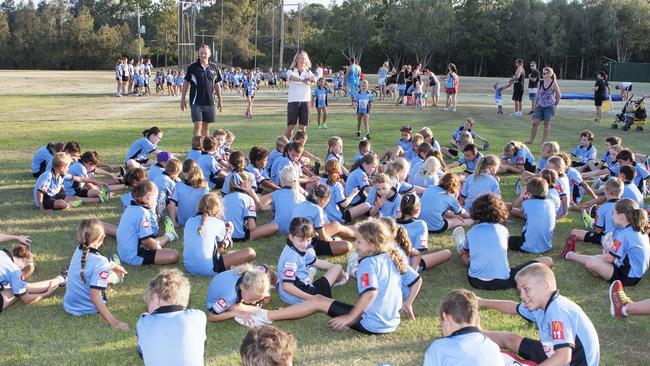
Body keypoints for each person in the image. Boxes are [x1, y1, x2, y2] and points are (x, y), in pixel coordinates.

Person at [237, 219, 407, 335]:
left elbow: (370, 293)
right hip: (391, 321)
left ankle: (264, 316)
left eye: (359, 242)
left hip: (374, 324)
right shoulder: (390, 255)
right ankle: (265, 315)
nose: (356, 246)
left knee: (318, 300)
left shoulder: (368, 264)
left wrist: (350, 317)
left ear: (372, 245)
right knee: (317, 297)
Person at [478, 263, 600, 366]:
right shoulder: (540, 305)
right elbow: (513, 307)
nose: (522, 295)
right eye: (520, 291)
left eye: (526, 289)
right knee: (511, 339)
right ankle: (473, 333)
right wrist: (482, 302)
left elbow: (564, 356)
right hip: (554, 352)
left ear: (545, 286)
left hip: (569, 361)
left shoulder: (558, 310)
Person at [456, 194, 553, 290]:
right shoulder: (503, 230)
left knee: (465, 255)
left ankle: (466, 255)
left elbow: (464, 251)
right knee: (547, 260)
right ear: (500, 211)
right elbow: (504, 247)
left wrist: (464, 252)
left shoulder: (471, 232)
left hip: (475, 281)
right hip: (503, 281)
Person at [563, 199, 650, 287]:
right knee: (598, 258)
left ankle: (569, 254)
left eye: (613, 213)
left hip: (628, 278)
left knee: (592, 263)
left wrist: (599, 258)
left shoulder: (624, 234)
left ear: (621, 217)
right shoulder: (638, 229)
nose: (612, 216)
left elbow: (609, 259)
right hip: (636, 272)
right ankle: (569, 254)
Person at [63, 219, 128, 329]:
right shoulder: (100, 262)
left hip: (70, 305)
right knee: (109, 276)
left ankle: (112, 267)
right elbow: (94, 297)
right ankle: (117, 278)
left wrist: (113, 265)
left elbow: (93, 263)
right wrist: (115, 323)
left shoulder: (78, 250)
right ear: (102, 238)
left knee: (99, 271)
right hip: (88, 308)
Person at [136, 269, 206, 366]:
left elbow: (141, 351)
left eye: (149, 301)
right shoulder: (199, 317)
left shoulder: (143, 322)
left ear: (155, 298)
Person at [423, 289, 505, 366]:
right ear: (477, 320)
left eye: (441, 321)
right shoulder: (493, 347)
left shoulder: (438, 348)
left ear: (446, 318)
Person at [277, 218, 347, 305]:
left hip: (287, 295)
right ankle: (342, 279)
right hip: (302, 297)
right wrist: (313, 298)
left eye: (308, 240)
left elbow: (316, 261)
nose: (305, 244)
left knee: (311, 255)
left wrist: (333, 267)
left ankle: (311, 270)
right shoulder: (291, 259)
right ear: (291, 237)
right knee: (338, 267)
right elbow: (287, 286)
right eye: (301, 240)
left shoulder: (293, 247)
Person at [183, 193, 256, 276]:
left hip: (188, 267)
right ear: (217, 210)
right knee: (250, 252)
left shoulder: (189, 221)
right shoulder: (218, 223)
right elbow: (222, 246)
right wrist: (228, 234)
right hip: (209, 269)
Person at [1, 243, 66, 312]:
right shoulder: (15, 271)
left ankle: (61, 279)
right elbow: (26, 299)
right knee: (20, 289)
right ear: (24, 266)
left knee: (16, 286)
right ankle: (61, 279)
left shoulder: (2, 253)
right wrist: (46, 294)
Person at [180, 45, 223, 137]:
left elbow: (217, 84)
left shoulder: (214, 67)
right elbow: (186, 83)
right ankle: (196, 149)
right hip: (196, 101)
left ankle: (205, 148)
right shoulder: (192, 67)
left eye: (205, 53)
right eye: (201, 53)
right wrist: (183, 99)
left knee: (206, 125)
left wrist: (220, 100)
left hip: (209, 101)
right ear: (198, 54)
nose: (203, 55)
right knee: (198, 124)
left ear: (209, 54)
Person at [284, 51, 316, 139]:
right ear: (297, 60)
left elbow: (314, 80)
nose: (303, 60)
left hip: (305, 102)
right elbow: (291, 77)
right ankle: (285, 147)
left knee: (302, 128)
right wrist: (303, 80)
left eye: (305, 58)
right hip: (293, 101)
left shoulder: (308, 72)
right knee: (291, 126)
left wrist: (312, 79)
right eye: (301, 58)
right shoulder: (291, 71)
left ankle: (298, 148)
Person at [527, 66, 561, 145]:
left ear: (549, 74)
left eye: (545, 73)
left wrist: (555, 105)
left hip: (549, 106)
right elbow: (537, 94)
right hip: (540, 106)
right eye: (542, 73)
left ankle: (543, 142)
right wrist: (535, 106)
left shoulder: (553, 83)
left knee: (546, 123)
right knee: (535, 123)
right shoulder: (541, 82)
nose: (543, 74)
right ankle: (531, 141)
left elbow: (558, 95)